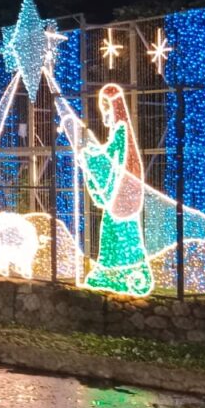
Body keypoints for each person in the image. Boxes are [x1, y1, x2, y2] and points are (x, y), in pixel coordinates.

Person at [61, 84, 153, 296]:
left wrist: (89, 154)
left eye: (107, 110)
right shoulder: (118, 132)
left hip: (120, 196)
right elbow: (108, 155)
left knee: (115, 233)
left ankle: (118, 274)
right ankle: (124, 273)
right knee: (120, 234)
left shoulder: (121, 132)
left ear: (114, 108)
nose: (105, 115)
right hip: (120, 197)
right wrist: (91, 153)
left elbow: (110, 159)